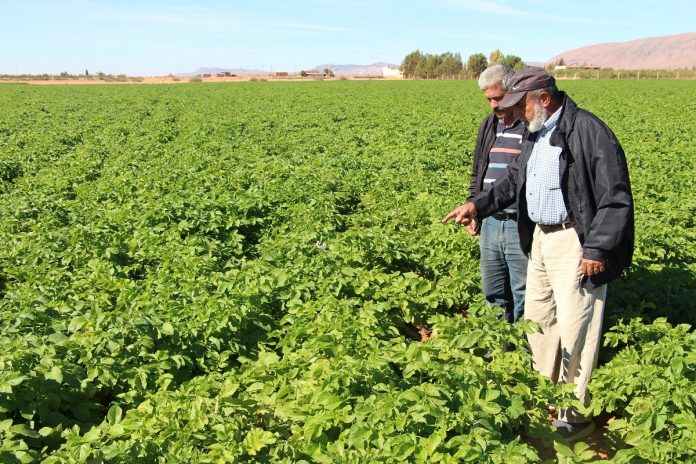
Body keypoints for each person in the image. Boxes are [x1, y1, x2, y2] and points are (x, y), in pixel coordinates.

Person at [442, 67, 634, 441]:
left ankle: (573, 414)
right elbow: (513, 182)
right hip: (541, 239)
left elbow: (615, 199)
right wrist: (478, 206)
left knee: (577, 328)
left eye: (520, 104)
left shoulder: (589, 132)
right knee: (539, 319)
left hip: (574, 241)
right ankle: (544, 394)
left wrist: (597, 248)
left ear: (543, 99)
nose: (514, 112)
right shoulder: (537, 134)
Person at [468, 64, 528, 323]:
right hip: (490, 220)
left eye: (498, 97)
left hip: (520, 222)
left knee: (524, 292)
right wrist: (474, 205)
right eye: (489, 99)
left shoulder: (530, 125)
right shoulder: (490, 124)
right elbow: (478, 170)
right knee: (493, 292)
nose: (493, 104)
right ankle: (498, 353)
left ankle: (525, 355)